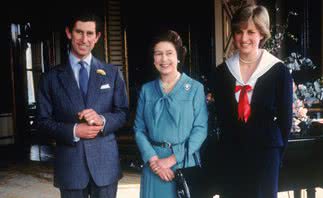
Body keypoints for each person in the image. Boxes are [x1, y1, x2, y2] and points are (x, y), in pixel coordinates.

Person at [36, 11, 129, 198]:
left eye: (90, 33)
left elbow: (123, 113)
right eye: (79, 32)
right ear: (69, 33)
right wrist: (74, 131)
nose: (84, 39)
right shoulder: (50, 78)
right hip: (70, 167)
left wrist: (102, 120)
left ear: (97, 37)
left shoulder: (112, 73)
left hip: (105, 167)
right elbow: (42, 121)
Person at [213, 5, 293, 198]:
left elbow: (285, 121)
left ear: (262, 34)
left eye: (251, 32)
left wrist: (275, 155)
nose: (244, 38)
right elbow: (221, 119)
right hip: (232, 155)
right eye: (239, 32)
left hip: (266, 155)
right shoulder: (222, 72)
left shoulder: (278, 71)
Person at [133, 30, 208, 198]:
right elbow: (139, 129)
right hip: (153, 165)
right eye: (158, 54)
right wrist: (154, 161)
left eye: (169, 53)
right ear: (153, 59)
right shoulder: (146, 90)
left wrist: (171, 160)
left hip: (184, 164)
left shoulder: (195, 88)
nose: (164, 59)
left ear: (178, 56)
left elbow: (201, 129)